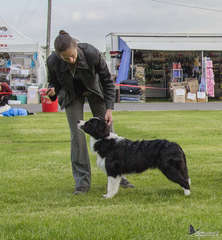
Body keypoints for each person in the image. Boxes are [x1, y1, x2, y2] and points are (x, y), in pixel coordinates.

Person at [46, 30, 134, 194]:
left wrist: (109, 108)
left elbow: (107, 81)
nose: (71, 60)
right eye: (66, 58)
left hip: (96, 92)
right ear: (59, 56)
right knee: (77, 136)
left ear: (76, 47)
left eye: (72, 56)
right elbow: (53, 82)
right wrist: (52, 90)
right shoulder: (52, 61)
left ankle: (118, 176)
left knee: (108, 132)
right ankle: (82, 182)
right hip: (71, 95)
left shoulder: (91, 53)